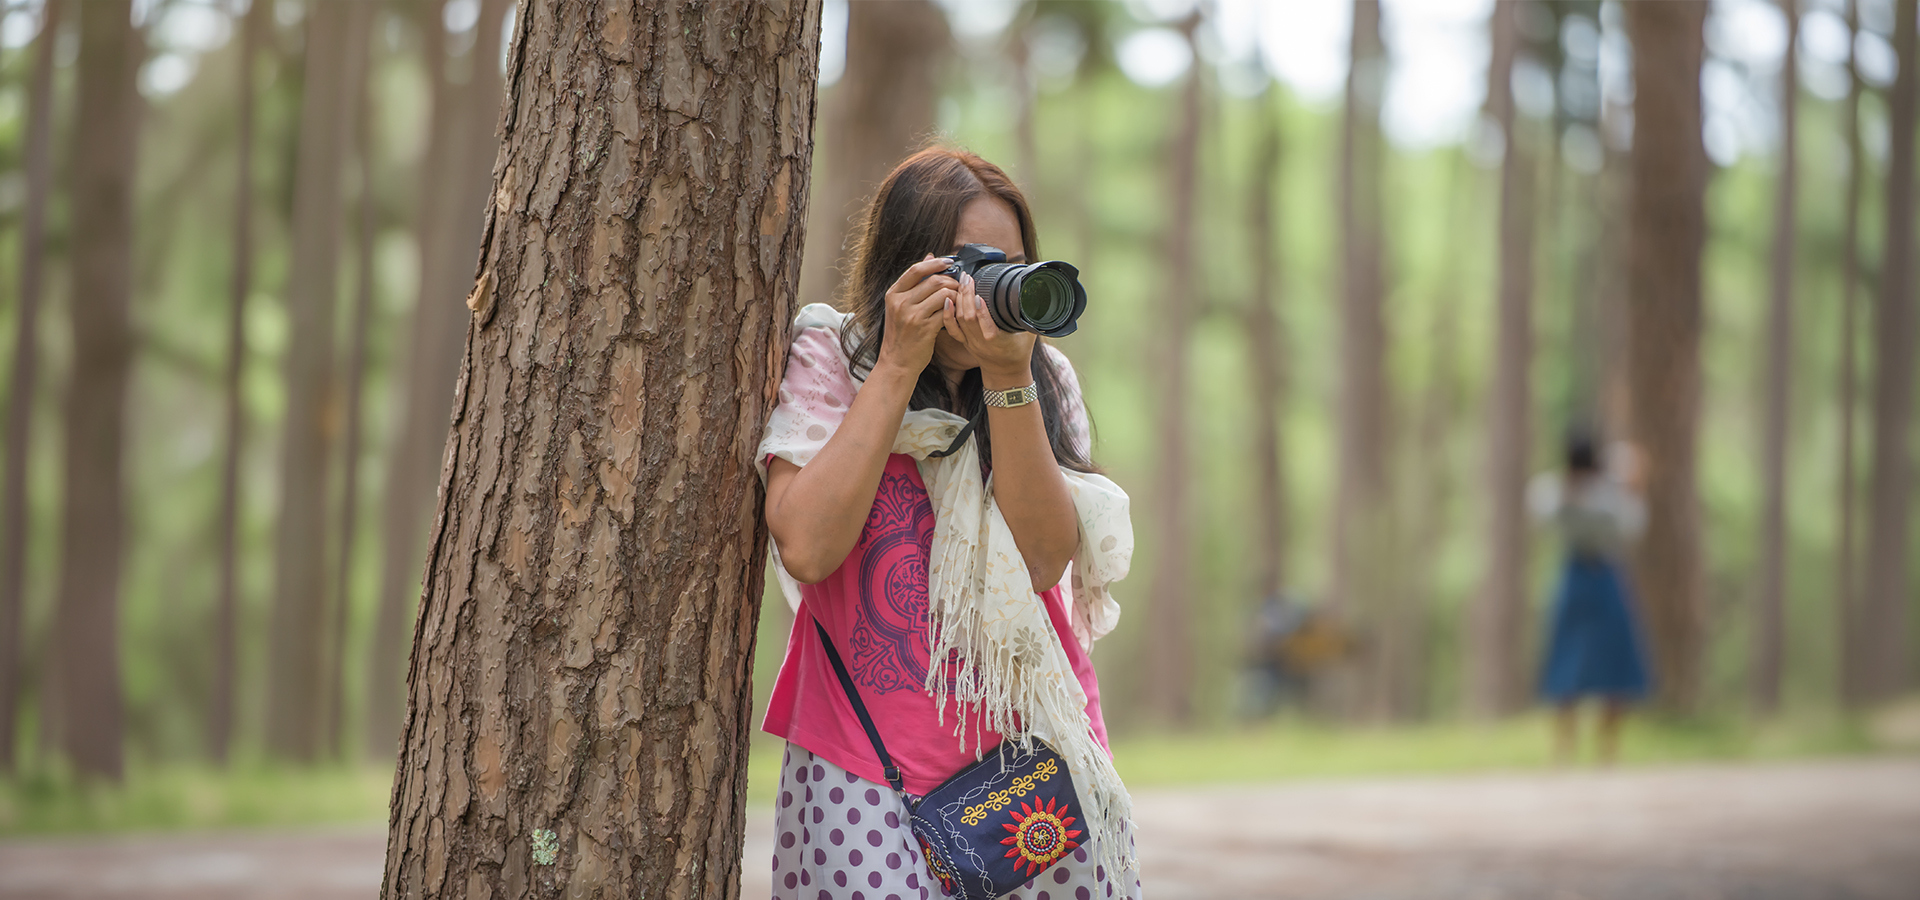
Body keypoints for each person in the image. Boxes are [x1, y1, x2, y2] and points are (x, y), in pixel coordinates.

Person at [756, 147, 1141, 900]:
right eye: (979, 264)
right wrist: (899, 364)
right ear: (909, 265)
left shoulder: (1040, 374)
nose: (1002, 287)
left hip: (1037, 761)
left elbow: (1043, 561)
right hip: (866, 763)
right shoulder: (834, 356)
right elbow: (806, 546)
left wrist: (1007, 378)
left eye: (1017, 264)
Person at [1531, 430, 1655, 766]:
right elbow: (1634, 523)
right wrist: (1630, 487)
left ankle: (1604, 747)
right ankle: (1568, 745)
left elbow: (1631, 525)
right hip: (1584, 574)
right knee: (1568, 659)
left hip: (1598, 574)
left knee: (1612, 660)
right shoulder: (1572, 493)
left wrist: (1624, 485)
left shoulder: (1601, 494)